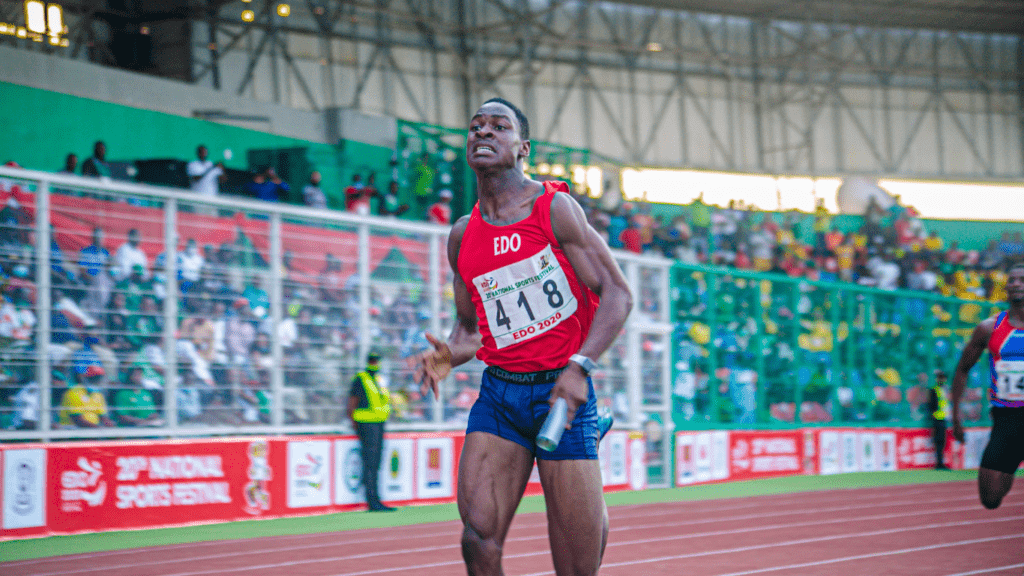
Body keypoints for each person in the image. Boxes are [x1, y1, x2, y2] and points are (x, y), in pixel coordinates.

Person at [411, 98, 632, 576]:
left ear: (522, 147)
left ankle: (591, 460)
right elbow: (471, 329)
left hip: (561, 395)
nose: (483, 133)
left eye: (498, 126)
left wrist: (580, 368)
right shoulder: (463, 235)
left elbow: (617, 293)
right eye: (476, 127)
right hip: (500, 396)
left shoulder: (554, 210)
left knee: (575, 568)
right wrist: (449, 354)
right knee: (477, 539)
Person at [952, 262, 1024, 509]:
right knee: (990, 499)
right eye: (1012, 280)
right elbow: (962, 369)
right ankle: (1012, 464)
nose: (1015, 284)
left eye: (1022, 280)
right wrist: (956, 417)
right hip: (1007, 419)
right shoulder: (988, 328)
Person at [347, 351, 395, 512]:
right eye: (374, 361)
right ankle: (371, 500)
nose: (376, 364)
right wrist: (353, 422)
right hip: (366, 423)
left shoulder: (379, 379)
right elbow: (352, 400)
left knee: (375, 463)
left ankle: (375, 498)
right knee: (370, 463)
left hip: (378, 423)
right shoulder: (362, 378)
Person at [927, 370, 951, 470]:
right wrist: (933, 415)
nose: (941, 379)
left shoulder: (945, 390)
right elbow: (931, 405)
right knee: (939, 440)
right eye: (940, 377)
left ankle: (941, 462)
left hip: (944, 418)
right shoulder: (934, 390)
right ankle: (939, 463)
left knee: (942, 441)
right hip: (937, 418)